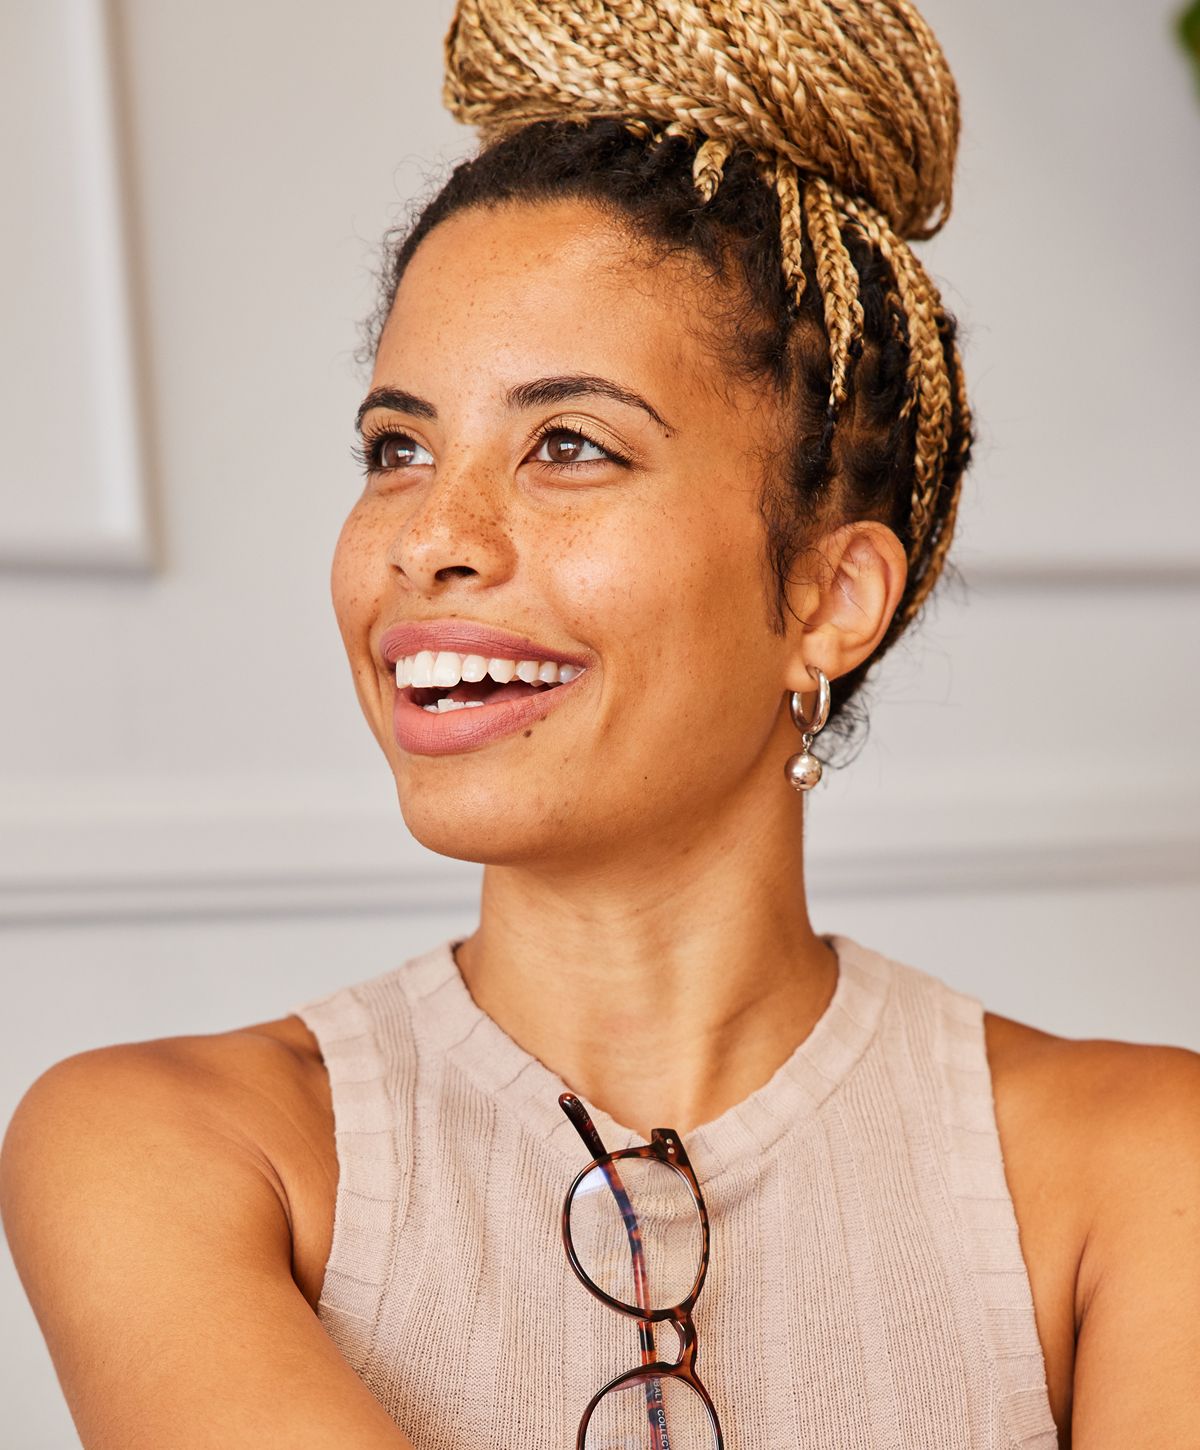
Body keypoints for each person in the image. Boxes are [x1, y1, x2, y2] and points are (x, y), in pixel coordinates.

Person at [3, 2, 1198, 1446]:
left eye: (569, 444)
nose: (430, 537)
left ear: (828, 598)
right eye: (398, 447)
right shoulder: (166, 1147)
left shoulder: (1145, 1170)